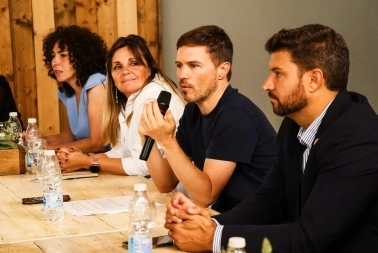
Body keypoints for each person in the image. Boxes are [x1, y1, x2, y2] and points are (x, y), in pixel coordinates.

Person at [164, 24, 378, 253]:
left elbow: (310, 237)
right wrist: (210, 224)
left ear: (314, 80)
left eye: (278, 74)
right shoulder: (293, 125)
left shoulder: (358, 139)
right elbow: (269, 201)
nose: (266, 84)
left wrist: (215, 238)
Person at [139, 25, 277, 212]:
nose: (182, 74)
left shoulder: (235, 115)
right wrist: (148, 136)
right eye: (179, 65)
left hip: (257, 225)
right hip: (225, 215)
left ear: (223, 70)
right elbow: (166, 183)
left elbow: (206, 194)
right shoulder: (192, 112)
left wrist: (167, 140)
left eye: (194, 66)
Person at [57, 35, 185, 176]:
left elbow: (142, 166)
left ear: (150, 68)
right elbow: (120, 152)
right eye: (117, 67)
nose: (125, 71)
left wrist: (87, 162)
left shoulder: (153, 96)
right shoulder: (128, 100)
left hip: (175, 192)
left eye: (134, 63)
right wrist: (82, 158)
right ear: (111, 76)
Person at [41, 25, 108, 153]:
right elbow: (74, 135)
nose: (55, 62)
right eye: (53, 56)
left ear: (82, 56)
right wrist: (42, 141)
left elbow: (98, 143)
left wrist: (49, 150)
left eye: (63, 55)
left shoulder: (96, 84)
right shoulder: (68, 93)